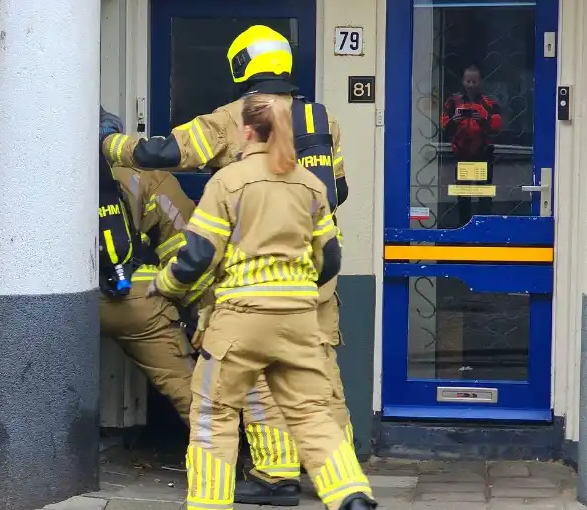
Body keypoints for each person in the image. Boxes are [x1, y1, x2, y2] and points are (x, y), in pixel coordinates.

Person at [101, 26, 352, 505]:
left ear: (241, 67)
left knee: (257, 375)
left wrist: (110, 143)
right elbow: (337, 192)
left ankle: (275, 478)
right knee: (318, 373)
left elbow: (165, 153)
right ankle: (328, 476)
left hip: (253, 281)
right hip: (315, 273)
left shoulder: (236, 117)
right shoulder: (322, 119)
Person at [149, 93, 377, 510]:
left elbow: (197, 256)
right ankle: (351, 494)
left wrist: (166, 285)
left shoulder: (229, 181)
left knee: (213, 417)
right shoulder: (310, 185)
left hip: (240, 320)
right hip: (299, 320)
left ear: (249, 131)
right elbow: (330, 257)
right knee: (311, 413)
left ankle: (208, 502)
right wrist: (298, 290)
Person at [97, 109, 211, 422]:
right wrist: (200, 309)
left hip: (56, 304)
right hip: (134, 299)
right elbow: (185, 244)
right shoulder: (145, 174)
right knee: (189, 389)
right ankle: (220, 460)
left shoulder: (36, 168)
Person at [441, 63, 502, 226]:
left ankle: (484, 231)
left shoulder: (489, 102)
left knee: (484, 195)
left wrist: (483, 120)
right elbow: (444, 127)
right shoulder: (453, 101)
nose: (471, 85)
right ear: (463, 81)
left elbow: (497, 128)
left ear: (481, 82)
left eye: (474, 82)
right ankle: (463, 229)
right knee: (463, 196)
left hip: (484, 154)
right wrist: (454, 121)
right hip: (461, 154)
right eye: (468, 81)